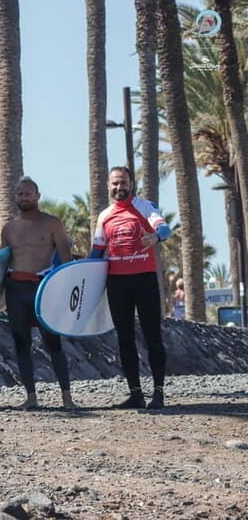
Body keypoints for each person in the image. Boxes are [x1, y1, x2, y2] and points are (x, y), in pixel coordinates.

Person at [90, 166, 172, 410]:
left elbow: (164, 229)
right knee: (124, 340)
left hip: (144, 280)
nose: (119, 187)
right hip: (117, 283)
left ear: (131, 183)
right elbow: (96, 252)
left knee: (152, 337)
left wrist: (155, 237)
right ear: (108, 185)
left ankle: (158, 393)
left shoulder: (145, 206)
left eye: (123, 182)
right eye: (115, 183)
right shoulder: (104, 216)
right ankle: (135, 393)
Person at [0, 176, 76, 410]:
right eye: (20, 194)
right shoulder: (9, 228)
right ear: (16, 197)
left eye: (28, 193)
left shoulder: (52, 223)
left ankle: (66, 397)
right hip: (16, 288)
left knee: (53, 342)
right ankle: (31, 397)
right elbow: (1, 264)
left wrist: (66, 290)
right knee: (21, 343)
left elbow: (65, 258)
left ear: (37, 196)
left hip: (44, 287)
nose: (24, 197)